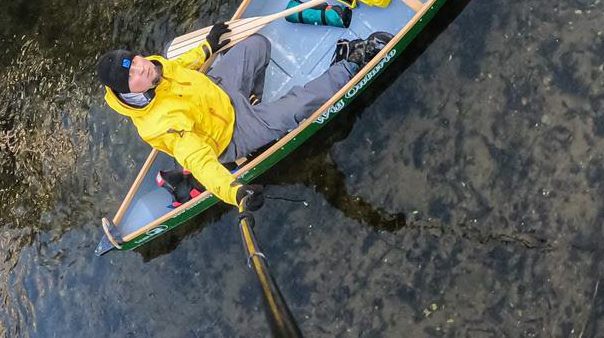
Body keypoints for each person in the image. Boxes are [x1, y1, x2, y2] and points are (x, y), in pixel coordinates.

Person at [98, 26, 393, 209]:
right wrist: (236, 194)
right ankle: (351, 65)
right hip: (231, 134)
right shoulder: (163, 126)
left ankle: (253, 96)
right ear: (127, 90)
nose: (143, 69)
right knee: (294, 109)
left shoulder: (153, 66)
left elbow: (178, 65)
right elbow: (201, 163)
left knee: (258, 45)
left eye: (136, 61)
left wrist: (208, 47)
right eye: (133, 74)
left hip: (218, 90)